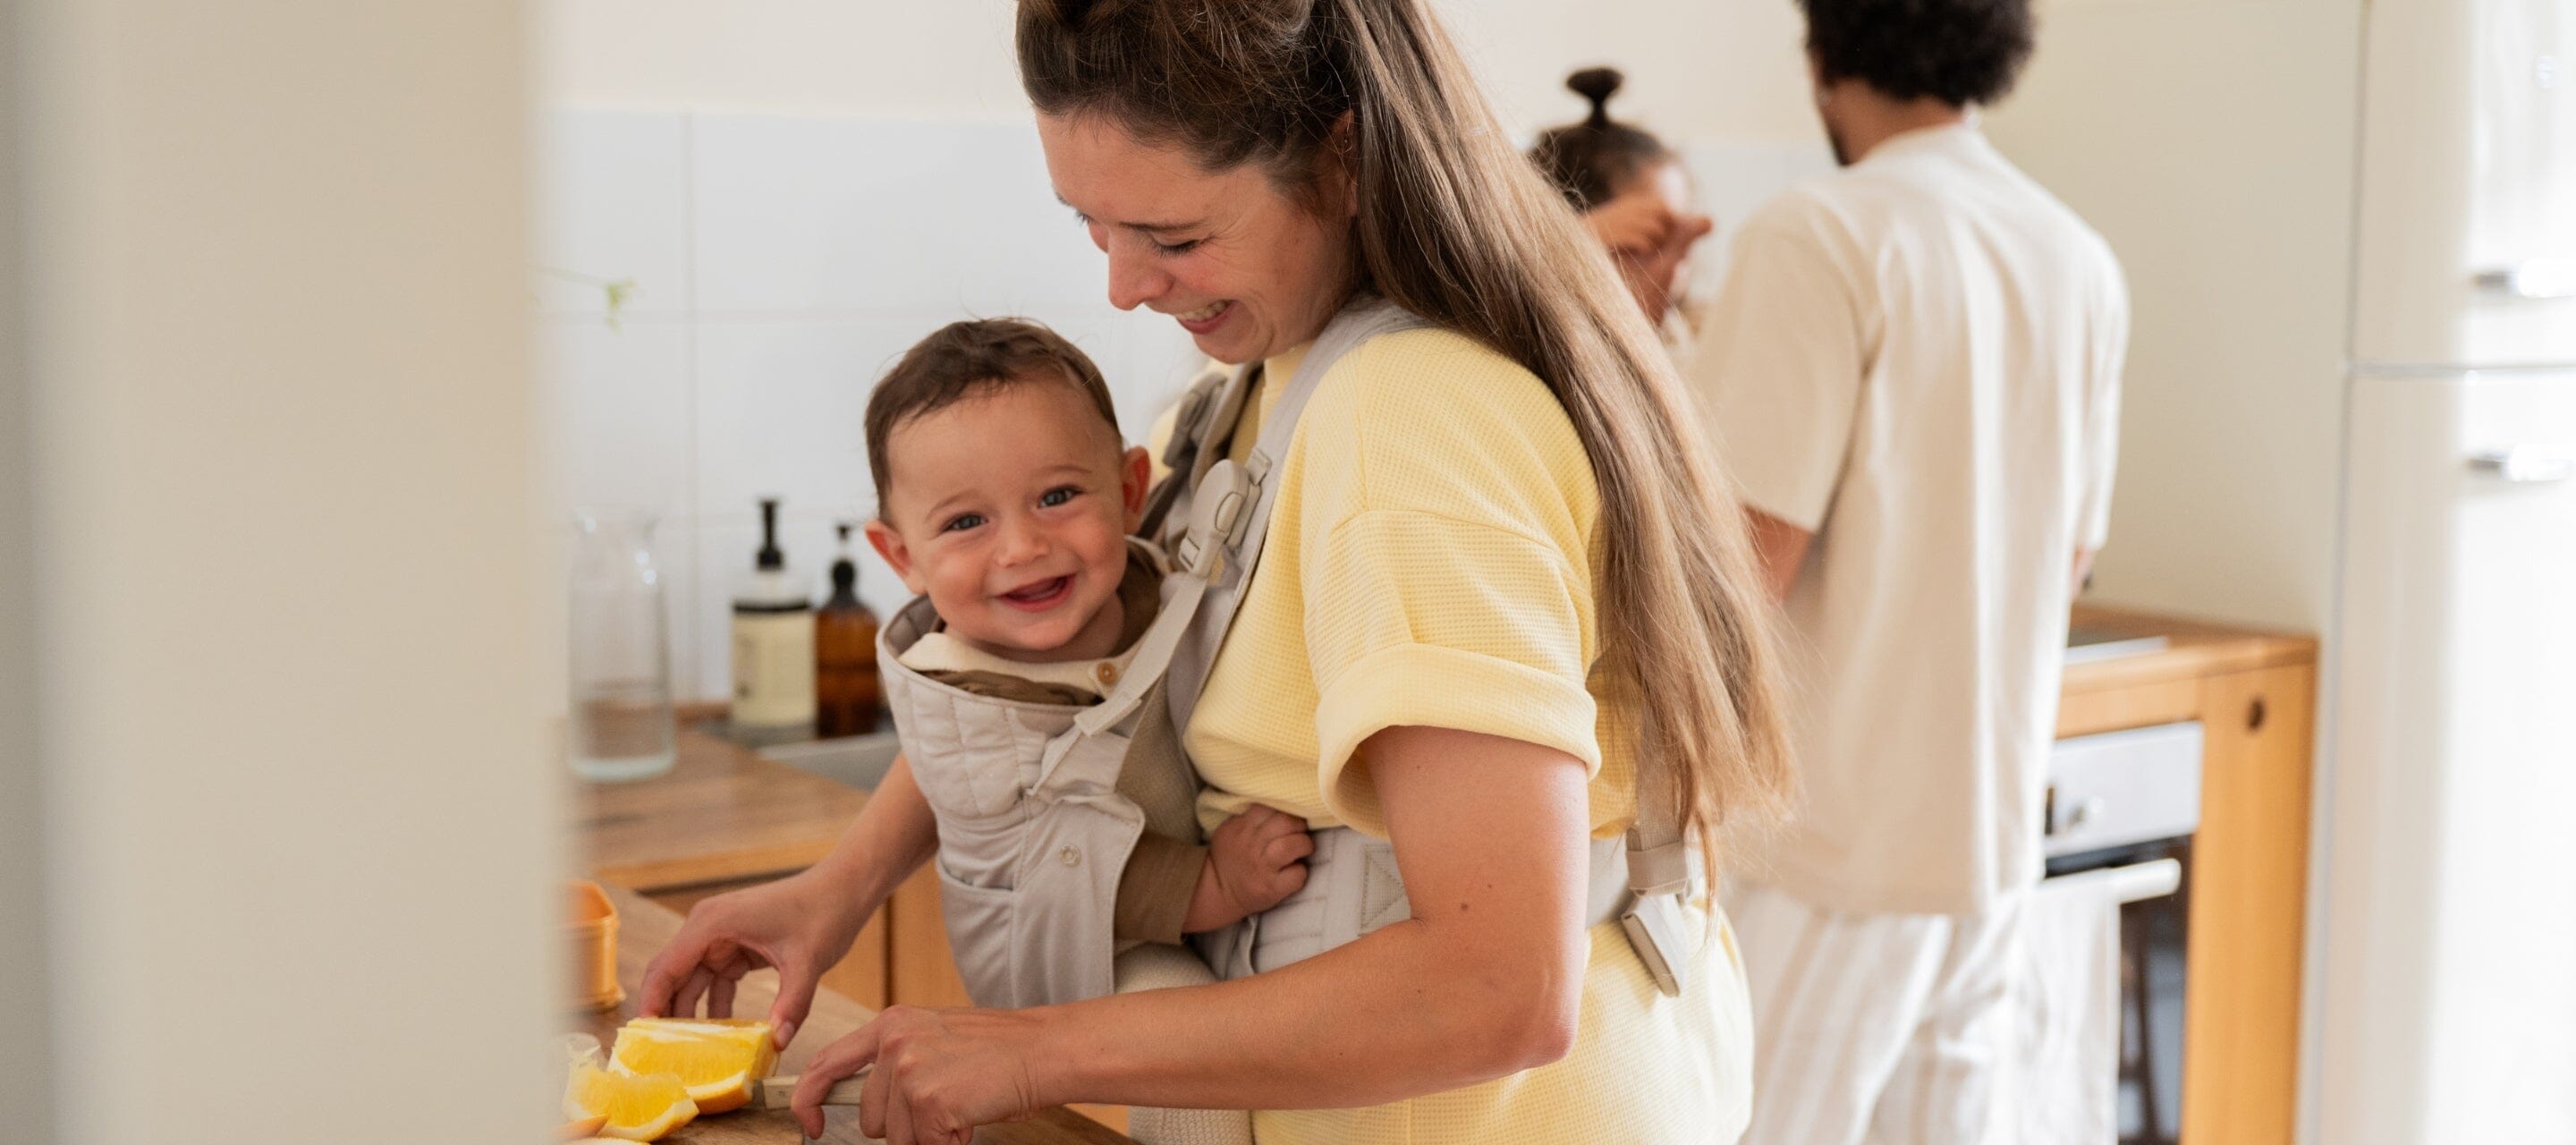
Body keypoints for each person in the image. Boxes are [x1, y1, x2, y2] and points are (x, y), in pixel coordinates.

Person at [640, 2, 1795, 1143]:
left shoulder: (1410, 423)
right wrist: (835, 891)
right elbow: (1067, 686)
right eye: (1093, 226)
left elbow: (1501, 986)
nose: (1123, 286)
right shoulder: (1247, 396)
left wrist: (1031, 1049)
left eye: (1176, 238)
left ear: (1344, 157)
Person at [1682, 0, 2129, 1139]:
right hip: (1984, 854)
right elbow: (2070, 557)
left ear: (1823, 57)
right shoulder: (2076, 257)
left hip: (1825, 856)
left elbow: (1738, 573)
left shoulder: (1820, 233)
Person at [1529, 67, 1715, 344]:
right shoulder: (1545, 331)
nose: (1678, 266)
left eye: (1684, 237)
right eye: (1655, 239)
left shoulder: (1695, 330)